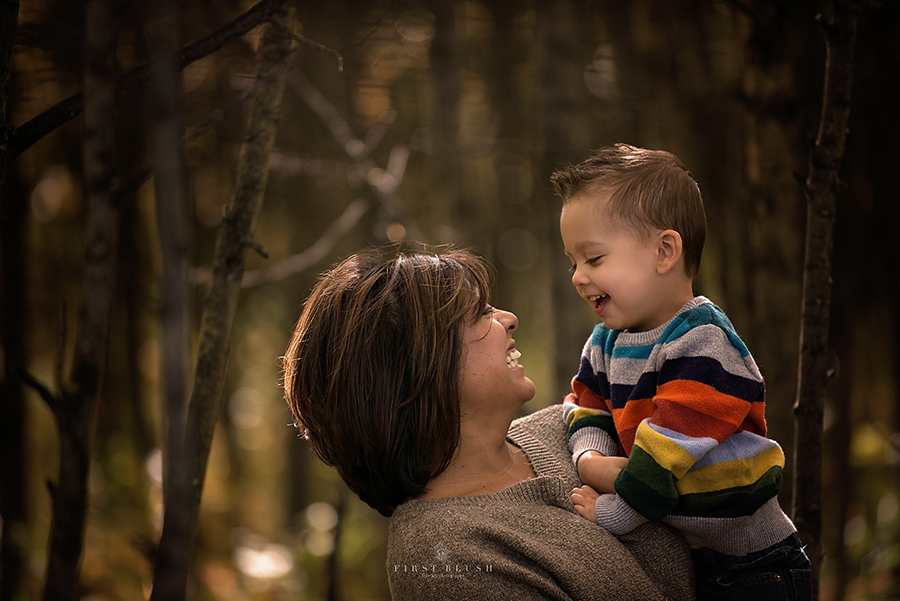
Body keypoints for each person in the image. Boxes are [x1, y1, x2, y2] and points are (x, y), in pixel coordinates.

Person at [282, 244, 695, 601]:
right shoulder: (442, 560)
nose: (509, 317)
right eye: (480, 314)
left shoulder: (578, 426)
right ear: (418, 368)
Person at [552, 144, 812, 600]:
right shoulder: (603, 345)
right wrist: (588, 460)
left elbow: (659, 466)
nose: (577, 276)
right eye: (572, 262)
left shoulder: (704, 343)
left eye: (593, 259)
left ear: (665, 251)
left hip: (757, 564)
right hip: (693, 560)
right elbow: (585, 411)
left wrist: (615, 508)